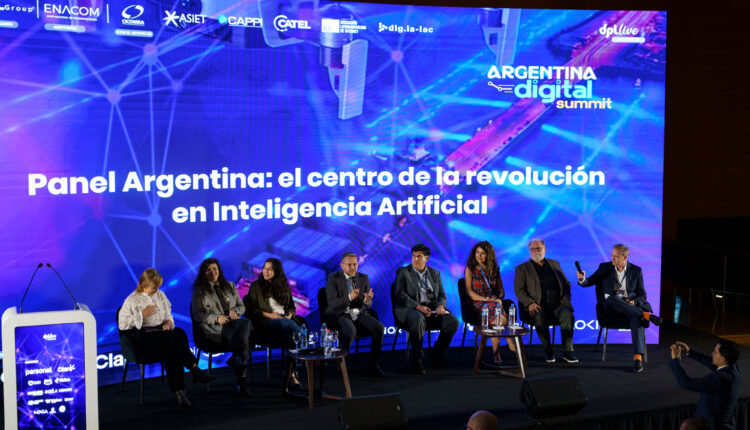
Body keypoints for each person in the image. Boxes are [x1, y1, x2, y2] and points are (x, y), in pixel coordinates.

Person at [119, 268, 214, 407]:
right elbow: (122, 324)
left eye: (157, 287)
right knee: (173, 339)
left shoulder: (160, 295)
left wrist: (169, 323)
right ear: (144, 285)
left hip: (162, 334)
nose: (156, 290)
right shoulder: (132, 300)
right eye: (153, 288)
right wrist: (141, 315)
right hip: (143, 337)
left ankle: (179, 391)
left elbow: (168, 314)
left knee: (178, 337)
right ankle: (193, 369)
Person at [577, 243, 663, 373]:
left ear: (625, 257)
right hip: (610, 308)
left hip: (630, 308)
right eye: (612, 255)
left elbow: (642, 295)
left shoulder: (636, 271)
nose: (612, 259)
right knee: (613, 298)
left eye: (616, 257)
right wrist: (582, 279)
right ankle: (645, 315)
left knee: (636, 318)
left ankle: (637, 358)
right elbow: (589, 282)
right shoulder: (605, 268)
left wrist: (634, 301)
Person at [191, 258, 253, 397]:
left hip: (234, 324)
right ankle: (241, 381)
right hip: (215, 329)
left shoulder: (230, 285)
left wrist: (235, 311)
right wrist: (216, 318)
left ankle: (236, 361)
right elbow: (198, 315)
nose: (212, 272)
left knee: (246, 322)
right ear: (203, 273)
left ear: (219, 270)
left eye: (214, 268)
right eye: (208, 270)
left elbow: (242, 307)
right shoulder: (199, 291)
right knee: (244, 342)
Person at [394, 243, 459, 374]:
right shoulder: (403, 272)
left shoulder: (435, 273)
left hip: (432, 309)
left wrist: (440, 305)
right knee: (418, 318)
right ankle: (416, 358)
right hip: (411, 309)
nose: (415, 259)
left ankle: (438, 351)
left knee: (452, 321)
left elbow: (442, 295)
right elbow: (400, 294)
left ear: (426, 258)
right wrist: (418, 307)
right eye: (413, 256)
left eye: (419, 256)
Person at [243, 257, 304, 388]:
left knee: (291, 336)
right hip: (265, 325)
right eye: (265, 268)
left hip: (283, 326)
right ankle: (304, 348)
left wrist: (290, 314)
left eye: (270, 269)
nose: (266, 271)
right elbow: (251, 310)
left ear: (277, 271)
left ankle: (291, 374)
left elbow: (291, 307)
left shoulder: (284, 286)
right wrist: (270, 315)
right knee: (290, 326)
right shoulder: (256, 286)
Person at [514, 239, 577, 363]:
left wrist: (565, 299)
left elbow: (566, 283)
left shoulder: (555, 264)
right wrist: (530, 303)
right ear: (529, 251)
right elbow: (519, 290)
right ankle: (548, 352)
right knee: (539, 318)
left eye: (539, 248)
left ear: (545, 249)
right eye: (533, 249)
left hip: (556, 304)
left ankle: (567, 352)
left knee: (568, 316)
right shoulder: (522, 268)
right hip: (536, 306)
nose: (536, 251)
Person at [325, 252, 385, 376]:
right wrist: (349, 297)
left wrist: (366, 301)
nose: (353, 267)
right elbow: (332, 303)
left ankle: (373, 365)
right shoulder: (333, 278)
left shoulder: (363, 278)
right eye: (349, 265)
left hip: (359, 313)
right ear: (342, 265)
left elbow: (368, 304)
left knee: (379, 328)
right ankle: (342, 364)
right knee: (350, 331)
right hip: (341, 314)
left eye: (355, 264)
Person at [669, 339, 742, 430]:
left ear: (723, 359)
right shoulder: (733, 367)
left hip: (711, 425)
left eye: (715, 352)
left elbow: (686, 383)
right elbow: (711, 362)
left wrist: (675, 360)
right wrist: (689, 351)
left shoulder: (719, 378)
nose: (712, 354)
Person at [464, 241, 516, 365]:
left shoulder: (494, 270)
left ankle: (497, 356)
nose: (479, 255)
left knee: (496, 319)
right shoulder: (470, 268)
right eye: (477, 252)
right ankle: (509, 340)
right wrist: (488, 300)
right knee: (497, 310)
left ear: (489, 255)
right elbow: (470, 292)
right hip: (477, 303)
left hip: (494, 303)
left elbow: (501, 290)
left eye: (482, 253)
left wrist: (499, 299)